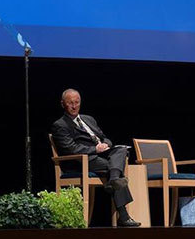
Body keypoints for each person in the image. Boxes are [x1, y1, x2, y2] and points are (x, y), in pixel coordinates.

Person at [50, 88, 141, 227]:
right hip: (82, 160)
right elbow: (70, 148)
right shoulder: (60, 125)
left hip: (100, 154)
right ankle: (123, 215)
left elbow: (104, 137)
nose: (74, 106)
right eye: (70, 103)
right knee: (114, 168)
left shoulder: (89, 119)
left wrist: (105, 144)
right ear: (63, 104)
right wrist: (95, 149)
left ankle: (114, 179)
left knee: (121, 150)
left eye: (77, 102)